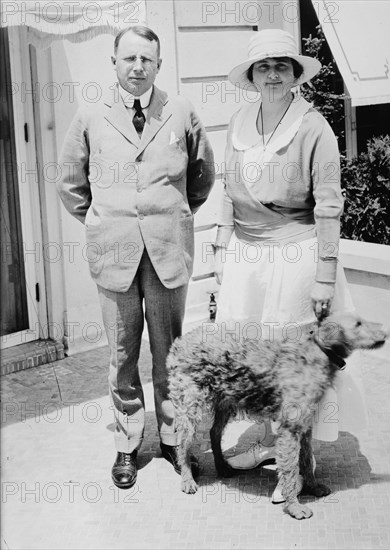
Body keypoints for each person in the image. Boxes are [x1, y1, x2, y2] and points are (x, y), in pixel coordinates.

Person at [57, 25, 214, 489]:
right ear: (114, 62)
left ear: (159, 65)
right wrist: (103, 221)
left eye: (146, 59)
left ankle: (171, 439)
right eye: (129, 59)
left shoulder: (181, 110)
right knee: (122, 355)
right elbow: (70, 185)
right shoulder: (89, 115)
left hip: (168, 253)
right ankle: (128, 444)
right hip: (114, 254)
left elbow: (202, 177)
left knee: (171, 352)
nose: (138, 67)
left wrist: (173, 216)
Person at [212, 29, 367, 494]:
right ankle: (264, 438)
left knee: (295, 362)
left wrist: (324, 275)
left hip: (296, 256)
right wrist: (221, 253)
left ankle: (299, 462)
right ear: (253, 76)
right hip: (245, 257)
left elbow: (328, 204)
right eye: (264, 67)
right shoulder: (239, 120)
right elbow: (227, 192)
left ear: (295, 73)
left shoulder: (314, 126)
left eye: (282, 65)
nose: (273, 74)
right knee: (254, 359)